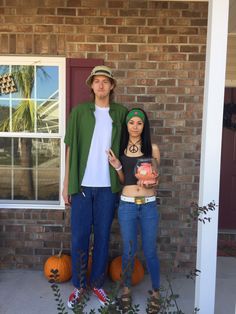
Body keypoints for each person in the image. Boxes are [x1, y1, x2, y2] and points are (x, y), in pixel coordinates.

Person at [62, 65, 128, 309]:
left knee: (102, 237)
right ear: (91, 85)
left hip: (107, 188)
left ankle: (98, 283)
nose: (101, 85)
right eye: (96, 81)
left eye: (105, 81)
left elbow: (133, 141)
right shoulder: (80, 112)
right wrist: (66, 184)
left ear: (112, 86)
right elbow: (69, 148)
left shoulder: (120, 113)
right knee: (79, 237)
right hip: (82, 187)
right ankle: (79, 287)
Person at [107, 108, 161, 314]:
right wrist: (117, 166)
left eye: (139, 123)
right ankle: (126, 291)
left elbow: (157, 178)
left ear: (144, 126)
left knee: (149, 251)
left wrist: (151, 181)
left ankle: (156, 292)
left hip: (148, 204)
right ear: (127, 125)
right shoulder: (121, 148)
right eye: (132, 122)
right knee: (128, 251)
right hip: (127, 205)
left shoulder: (152, 148)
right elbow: (123, 181)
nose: (135, 126)